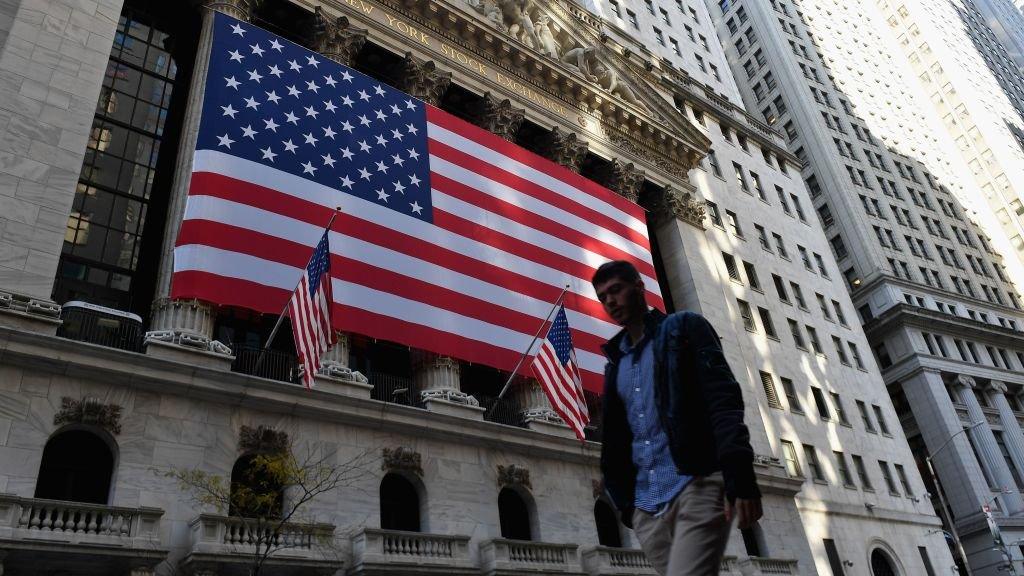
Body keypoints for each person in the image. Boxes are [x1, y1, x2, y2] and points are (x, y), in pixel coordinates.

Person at [593, 260, 762, 576]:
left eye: (616, 290)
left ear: (639, 287)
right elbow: (616, 439)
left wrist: (740, 476)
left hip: (695, 484)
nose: (610, 301)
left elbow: (723, 400)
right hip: (645, 507)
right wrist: (627, 506)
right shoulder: (615, 365)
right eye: (603, 297)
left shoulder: (685, 328)